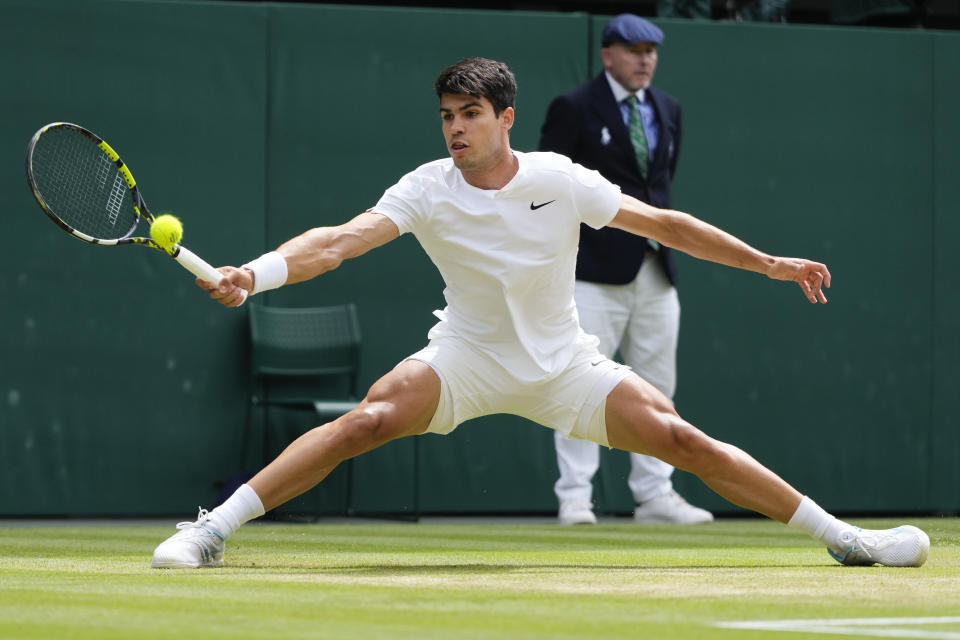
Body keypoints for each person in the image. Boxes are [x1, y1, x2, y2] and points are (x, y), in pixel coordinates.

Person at [152, 57, 929, 570]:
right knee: (365, 421)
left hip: (565, 363)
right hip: (466, 356)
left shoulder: (561, 178)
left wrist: (768, 262)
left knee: (679, 437)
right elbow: (340, 242)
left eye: (470, 113)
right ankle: (211, 529)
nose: (455, 128)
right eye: (447, 116)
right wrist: (255, 274)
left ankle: (845, 539)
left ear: (505, 116)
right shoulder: (427, 186)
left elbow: (665, 225)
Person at [539, 14, 711, 526]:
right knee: (576, 383)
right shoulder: (573, 107)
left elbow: (659, 189)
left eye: (650, 51)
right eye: (633, 50)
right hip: (591, 271)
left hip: (656, 270)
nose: (644, 60)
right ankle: (575, 497)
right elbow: (549, 187)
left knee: (659, 385)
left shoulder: (669, 109)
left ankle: (655, 494)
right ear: (607, 54)